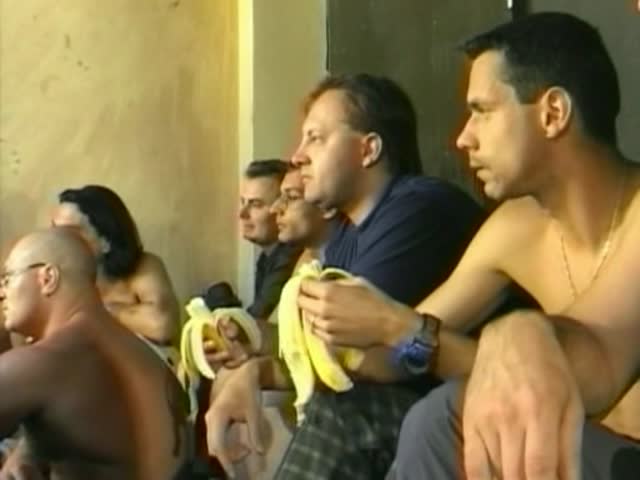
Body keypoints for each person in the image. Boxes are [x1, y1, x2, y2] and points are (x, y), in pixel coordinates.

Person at [286, 13, 640, 479]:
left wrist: (413, 327)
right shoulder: (514, 227)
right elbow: (395, 358)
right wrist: (321, 337)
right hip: (567, 451)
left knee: (446, 416)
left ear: (552, 113)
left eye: (482, 111)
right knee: (354, 408)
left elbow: (593, 370)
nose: (463, 137)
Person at [205, 73, 486, 479]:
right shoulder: (344, 236)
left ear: (368, 149)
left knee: (340, 408)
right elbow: (317, 345)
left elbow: (349, 358)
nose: (298, 156)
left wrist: (258, 367)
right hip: (411, 408)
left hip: (462, 411)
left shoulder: (418, 209)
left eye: (315, 138)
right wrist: (248, 345)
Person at [0, 228, 190, 479]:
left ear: (47, 278)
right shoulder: (136, 351)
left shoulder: (40, 362)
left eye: (7, 279)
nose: (1, 293)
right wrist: (28, 449)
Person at [50, 185, 180, 346]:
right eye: (54, 231)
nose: (58, 240)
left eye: (71, 233)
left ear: (106, 241)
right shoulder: (53, 277)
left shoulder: (143, 266)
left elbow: (162, 325)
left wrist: (103, 311)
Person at [237, 159, 303, 320]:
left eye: (256, 204)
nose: (242, 214)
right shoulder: (266, 257)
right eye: (243, 202)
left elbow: (258, 322)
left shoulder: (291, 255)